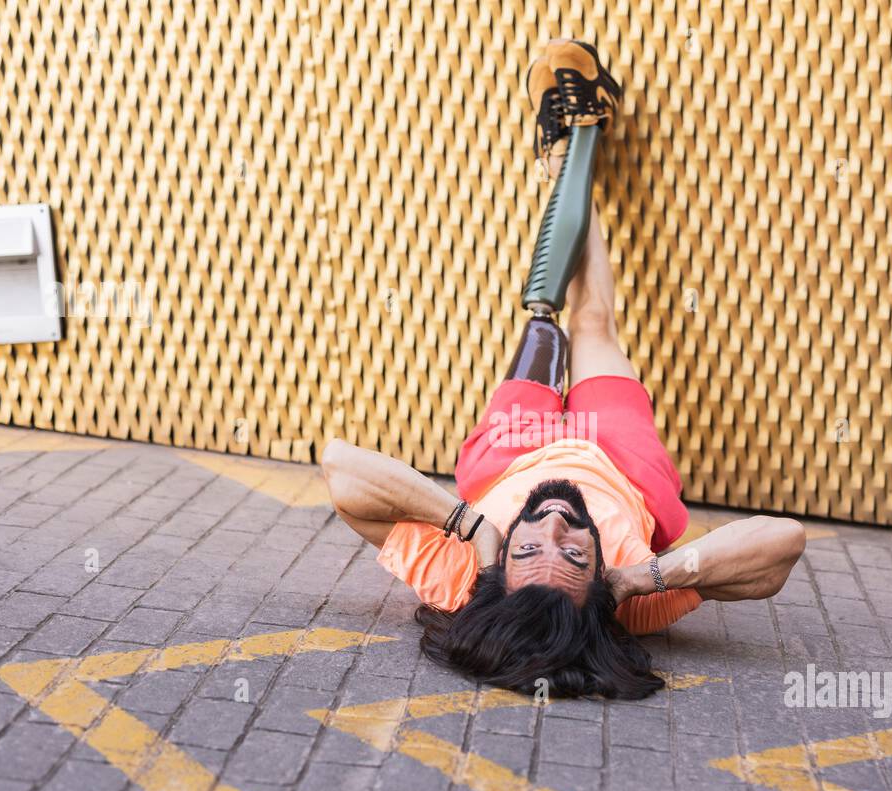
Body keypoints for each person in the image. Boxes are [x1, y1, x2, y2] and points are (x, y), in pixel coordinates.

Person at [321, 40, 805, 699]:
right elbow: (783, 543)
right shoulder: (629, 594)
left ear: (497, 576)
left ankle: (567, 155)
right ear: (601, 589)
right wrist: (642, 579)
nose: (553, 526)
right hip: (620, 465)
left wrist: (473, 527)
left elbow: (341, 467)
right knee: (595, 321)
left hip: (514, 451)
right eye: (575, 556)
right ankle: (582, 138)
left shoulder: (462, 575)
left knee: (545, 313)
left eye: (528, 552)